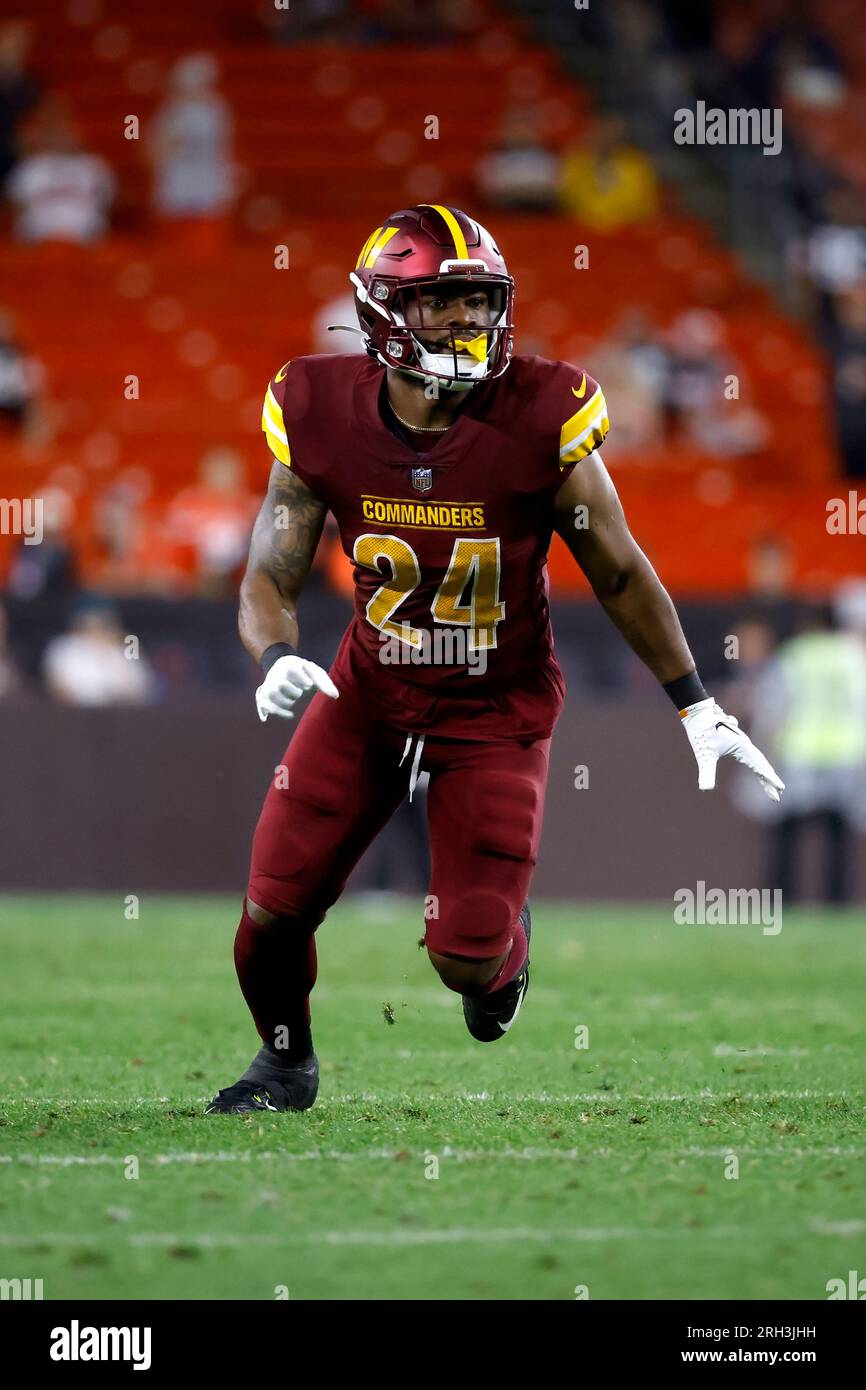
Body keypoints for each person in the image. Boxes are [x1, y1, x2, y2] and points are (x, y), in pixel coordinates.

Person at [206, 204, 783, 1115]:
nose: (470, 320)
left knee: (464, 956)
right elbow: (269, 570)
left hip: (496, 709)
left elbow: (620, 572)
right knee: (272, 909)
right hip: (367, 692)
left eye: (481, 300)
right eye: (444, 303)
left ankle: (504, 959)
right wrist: (275, 651)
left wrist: (696, 704)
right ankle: (284, 1065)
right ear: (385, 310)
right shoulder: (317, 407)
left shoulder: (541, 411)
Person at [42, 597, 155, 706]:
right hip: (78, 717)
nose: (99, 627)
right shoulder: (62, 647)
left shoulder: (128, 645)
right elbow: (58, 689)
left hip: (125, 716)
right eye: (91, 621)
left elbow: (144, 686)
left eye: (105, 621)